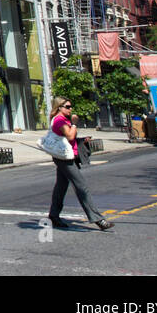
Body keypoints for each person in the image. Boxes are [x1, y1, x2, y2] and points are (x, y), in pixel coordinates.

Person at [48, 97, 114, 231]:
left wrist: (81, 140)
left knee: (61, 187)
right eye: (67, 106)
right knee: (81, 186)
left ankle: (54, 215)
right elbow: (70, 136)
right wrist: (74, 123)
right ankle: (97, 218)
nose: (70, 109)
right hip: (64, 158)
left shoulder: (62, 120)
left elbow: (68, 138)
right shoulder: (60, 120)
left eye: (70, 106)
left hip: (64, 156)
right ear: (59, 107)